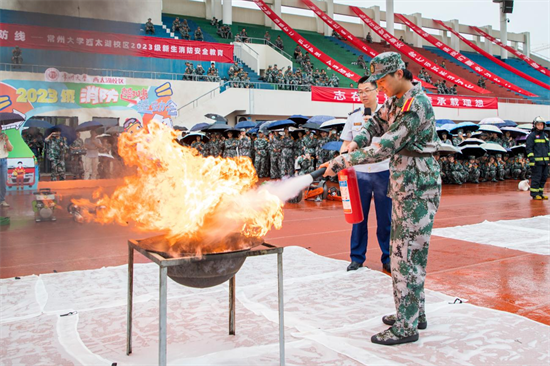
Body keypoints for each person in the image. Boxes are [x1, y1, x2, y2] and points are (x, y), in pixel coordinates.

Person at [323, 52, 441, 345]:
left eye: (383, 80)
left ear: (399, 73)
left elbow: (385, 147)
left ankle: (406, 326)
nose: (380, 87)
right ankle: (415, 312)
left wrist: (344, 161)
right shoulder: (394, 101)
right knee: (406, 252)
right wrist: (354, 141)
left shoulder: (416, 106)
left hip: (418, 189)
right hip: (404, 186)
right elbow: (374, 126)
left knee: (405, 257)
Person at [339, 75, 392, 273]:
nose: (363, 95)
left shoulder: (388, 113)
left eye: (367, 91)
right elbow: (346, 142)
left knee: (385, 219)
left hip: (382, 172)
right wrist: (342, 156)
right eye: (360, 92)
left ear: (377, 90)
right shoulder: (353, 116)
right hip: (359, 175)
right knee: (358, 218)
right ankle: (357, 257)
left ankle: (388, 257)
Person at [526, 116, 549, 200]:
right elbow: (529, 148)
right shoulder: (532, 136)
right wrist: (532, 160)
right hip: (536, 162)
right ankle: (534, 194)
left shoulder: (545, 136)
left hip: (545, 162)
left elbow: (548, 148)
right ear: (535, 125)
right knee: (536, 178)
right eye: (538, 125)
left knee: (543, 178)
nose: (540, 126)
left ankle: (540, 193)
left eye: (541, 125)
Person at [0, 131, 14, 206]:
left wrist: (7, 140)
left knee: (3, 181)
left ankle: (2, 200)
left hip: (3, 160)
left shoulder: (4, 138)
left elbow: (10, 149)